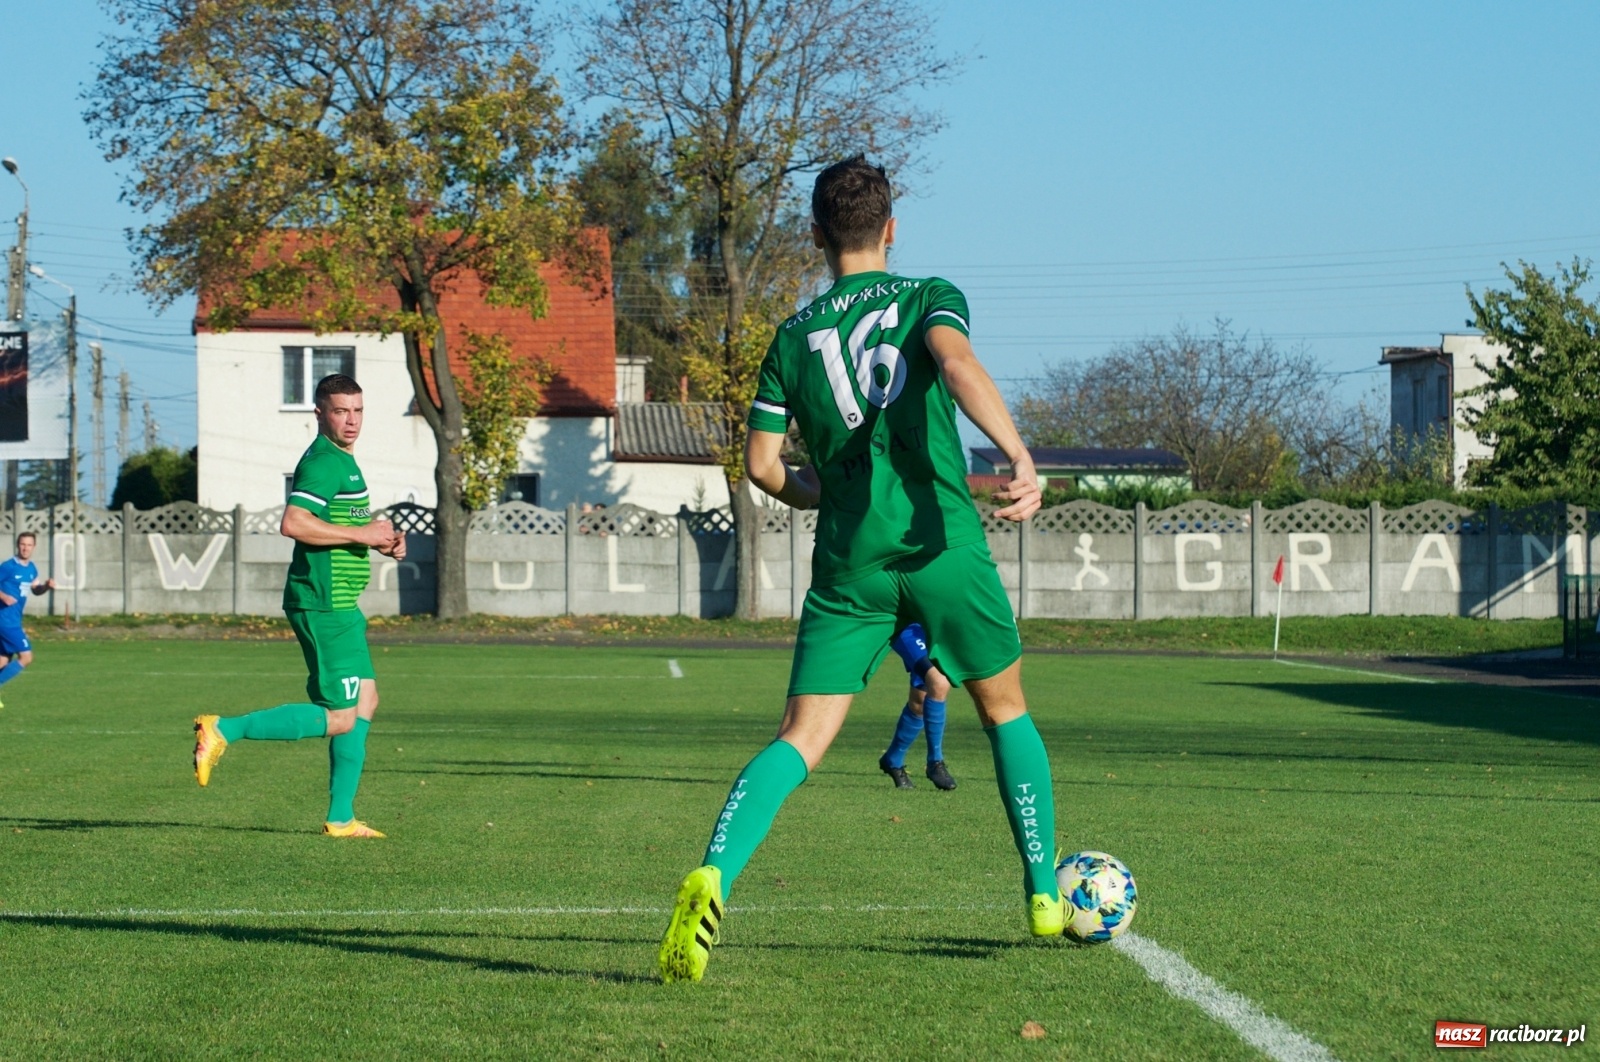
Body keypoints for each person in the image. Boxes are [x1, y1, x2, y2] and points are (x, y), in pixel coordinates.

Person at [657, 156, 1067, 983]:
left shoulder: (789, 339)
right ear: (892, 226)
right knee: (1006, 713)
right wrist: (1018, 453)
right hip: (942, 546)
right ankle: (1041, 894)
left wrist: (817, 493)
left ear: (815, 236)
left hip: (850, 564)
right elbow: (955, 365)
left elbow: (763, 466)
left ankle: (715, 875)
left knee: (801, 738)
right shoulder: (926, 297)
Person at [192, 374, 405, 837]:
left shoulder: (344, 461)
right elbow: (294, 523)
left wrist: (378, 540)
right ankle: (223, 728)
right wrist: (364, 534)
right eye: (341, 411)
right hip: (323, 603)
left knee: (365, 699)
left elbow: (334, 525)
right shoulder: (324, 462)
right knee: (342, 715)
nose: (351, 420)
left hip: (342, 603)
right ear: (320, 414)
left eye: (358, 410)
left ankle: (342, 818)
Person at [878, 623, 957, 791]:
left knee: (920, 701)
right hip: (906, 625)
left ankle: (893, 759)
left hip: (935, 627)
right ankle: (935, 762)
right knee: (939, 681)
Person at [0, 533, 55, 708]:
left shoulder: (31, 569)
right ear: (18, 545)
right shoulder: (8, 566)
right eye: (22, 544)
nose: (25, 548)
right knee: (26, 657)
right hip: (5, 620)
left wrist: (46, 586)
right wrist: (4, 596)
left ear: (34, 547)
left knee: (3, 660)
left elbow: (36, 590)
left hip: (14, 620)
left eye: (29, 545)